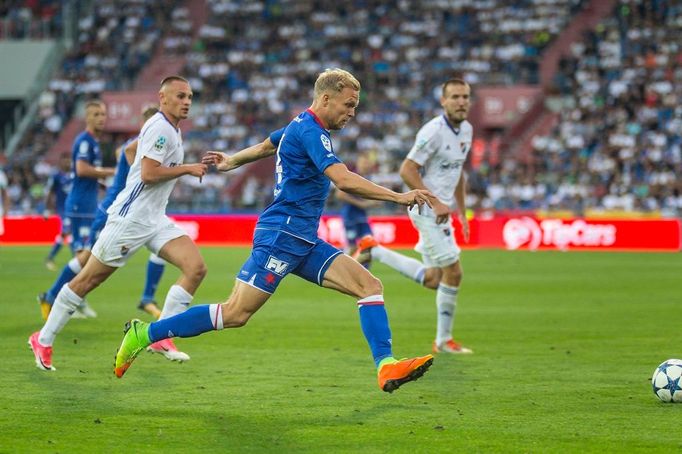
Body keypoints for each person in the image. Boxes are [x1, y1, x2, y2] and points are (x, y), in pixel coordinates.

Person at [114, 68, 436, 393]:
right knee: (236, 313)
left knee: (369, 285)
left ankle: (386, 366)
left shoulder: (300, 125)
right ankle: (146, 334)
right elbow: (343, 179)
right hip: (281, 237)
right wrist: (398, 196)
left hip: (304, 240)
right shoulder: (312, 131)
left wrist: (232, 161)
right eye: (348, 105)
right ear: (326, 98)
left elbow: (268, 144)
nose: (352, 112)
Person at [29, 76, 208, 371]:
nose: (187, 101)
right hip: (130, 219)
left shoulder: (171, 130)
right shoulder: (161, 128)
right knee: (87, 280)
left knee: (196, 268)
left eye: (189, 96)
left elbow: (129, 152)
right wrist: (185, 168)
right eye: (180, 96)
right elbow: (149, 174)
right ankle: (43, 339)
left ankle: (160, 336)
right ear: (163, 98)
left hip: (154, 219)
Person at [353, 78, 474, 355]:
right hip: (427, 210)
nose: (461, 102)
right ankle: (443, 342)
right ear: (443, 101)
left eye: (465, 97)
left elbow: (458, 173)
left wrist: (462, 211)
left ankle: (376, 251)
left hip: (442, 212)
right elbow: (407, 170)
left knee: (435, 279)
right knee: (454, 272)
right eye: (455, 97)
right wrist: (437, 202)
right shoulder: (433, 132)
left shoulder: (466, 130)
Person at [38, 106, 170, 326]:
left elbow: (123, 155)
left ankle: (146, 298)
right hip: (113, 210)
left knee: (163, 246)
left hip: (131, 211)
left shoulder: (142, 144)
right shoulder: (140, 143)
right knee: (87, 258)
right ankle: (53, 297)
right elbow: (126, 156)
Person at [36, 100, 116, 319]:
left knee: (86, 259)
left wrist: (105, 180)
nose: (102, 118)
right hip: (79, 207)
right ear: (88, 118)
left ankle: (65, 299)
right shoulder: (84, 142)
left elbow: (90, 174)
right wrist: (110, 172)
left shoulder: (95, 144)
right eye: (97, 114)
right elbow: (81, 170)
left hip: (89, 206)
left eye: (103, 114)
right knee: (85, 258)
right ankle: (55, 297)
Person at [335, 153, 380, 258]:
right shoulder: (352, 176)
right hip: (350, 215)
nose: (366, 165)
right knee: (352, 247)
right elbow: (340, 195)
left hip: (361, 215)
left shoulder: (367, 177)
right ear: (358, 163)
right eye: (364, 162)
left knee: (369, 243)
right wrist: (361, 204)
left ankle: (361, 270)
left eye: (367, 163)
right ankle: (343, 267)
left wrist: (374, 200)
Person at [43, 152, 73, 271]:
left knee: (68, 234)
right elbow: (49, 192)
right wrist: (47, 209)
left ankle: (50, 257)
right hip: (62, 208)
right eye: (65, 160)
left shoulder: (74, 175)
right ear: (61, 161)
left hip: (73, 209)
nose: (68, 162)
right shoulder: (56, 176)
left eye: (69, 160)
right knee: (67, 231)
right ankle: (76, 259)